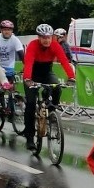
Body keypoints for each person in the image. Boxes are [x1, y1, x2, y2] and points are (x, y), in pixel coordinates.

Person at [22, 23, 76, 151]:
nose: (46, 40)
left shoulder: (55, 45)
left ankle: (52, 110)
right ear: (39, 37)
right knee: (30, 104)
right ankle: (29, 137)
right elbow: (28, 62)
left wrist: (71, 77)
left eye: (49, 37)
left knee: (56, 87)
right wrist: (28, 79)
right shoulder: (33, 45)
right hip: (32, 74)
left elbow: (64, 61)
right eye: (43, 37)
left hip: (46, 72)